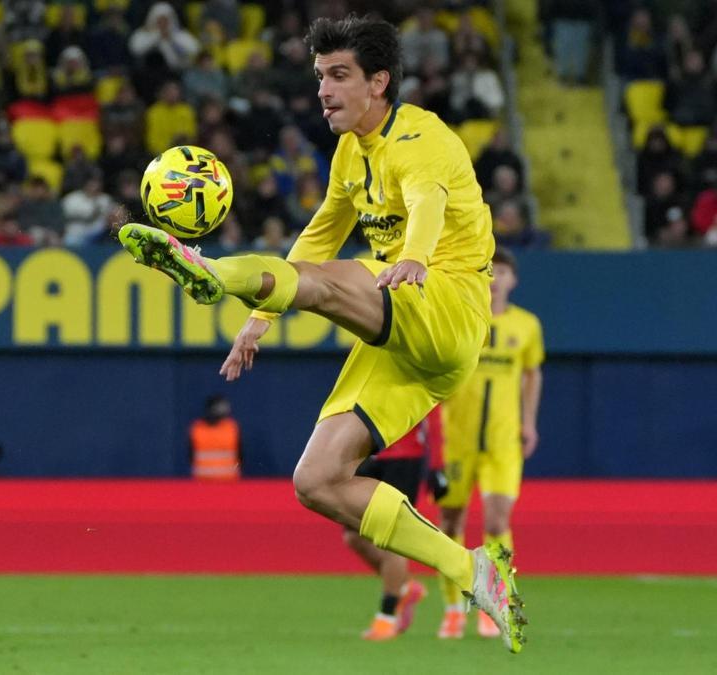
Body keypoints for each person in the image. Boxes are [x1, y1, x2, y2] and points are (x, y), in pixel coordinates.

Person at [117, 15, 526, 653]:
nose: (324, 91)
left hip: (444, 302)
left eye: (339, 76)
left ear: (378, 82)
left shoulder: (422, 135)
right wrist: (260, 318)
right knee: (316, 480)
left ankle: (209, 272)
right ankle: (469, 569)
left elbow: (426, 200)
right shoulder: (348, 154)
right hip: (410, 342)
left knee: (329, 283)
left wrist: (415, 255)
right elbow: (320, 234)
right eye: (319, 77)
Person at [436, 247, 544, 640]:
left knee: (497, 523)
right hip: (455, 439)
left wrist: (528, 422)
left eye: (503, 271)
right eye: (490, 270)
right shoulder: (461, 318)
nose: (497, 277)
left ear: (513, 279)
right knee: (450, 523)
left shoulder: (527, 325)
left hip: (502, 440)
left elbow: (532, 375)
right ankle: (452, 608)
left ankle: (493, 604)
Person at [344, 407, 446, 641]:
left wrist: (438, 465)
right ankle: (404, 587)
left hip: (405, 458)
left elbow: (434, 415)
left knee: (392, 536)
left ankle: (386, 618)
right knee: (352, 534)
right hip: (371, 454)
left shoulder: (417, 373)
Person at [189, 394, 241, 480]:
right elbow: (191, 454)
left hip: (228, 481)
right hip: (203, 481)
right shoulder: (197, 428)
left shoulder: (231, 427)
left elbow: (239, 453)